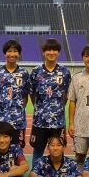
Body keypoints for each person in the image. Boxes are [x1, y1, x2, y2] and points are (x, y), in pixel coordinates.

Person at [29, 38, 71, 166]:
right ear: (43, 52)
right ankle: (35, 173)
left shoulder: (65, 72)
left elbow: (66, 94)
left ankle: (57, 173)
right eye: (48, 50)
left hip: (57, 121)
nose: (51, 52)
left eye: (54, 50)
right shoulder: (36, 72)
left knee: (57, 150)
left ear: (58, 52)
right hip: (40, 120)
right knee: (38, 150)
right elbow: (32, 93)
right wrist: (39, 107)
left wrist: (58, 107)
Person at [0, 40, 30, 148]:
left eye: (15, 51)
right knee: (0, 148)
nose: (12, 54)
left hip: (18, 120)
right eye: (9, 51)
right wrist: (1, 109)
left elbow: (25, 95)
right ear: (5, 53)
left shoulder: (24, 73)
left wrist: (19, 109)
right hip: (1, 119)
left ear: (19, 53)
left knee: (18, 149)